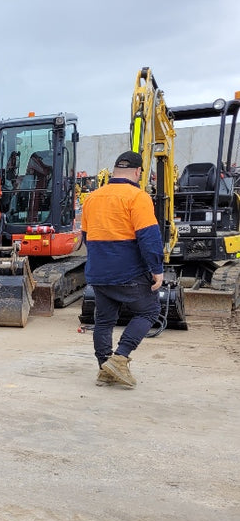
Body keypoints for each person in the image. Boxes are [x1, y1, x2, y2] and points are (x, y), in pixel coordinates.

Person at [81, 151, 163, 388]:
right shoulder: (137, 197)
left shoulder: (92, 198)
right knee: (149, 311)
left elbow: (87, 237)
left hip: (98, 271)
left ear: (115, 169)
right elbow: (148, 237)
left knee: (104, 321)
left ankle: (104, 368)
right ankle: (120, 357)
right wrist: (156, 268)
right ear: (138, 172)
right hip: (127, 272)